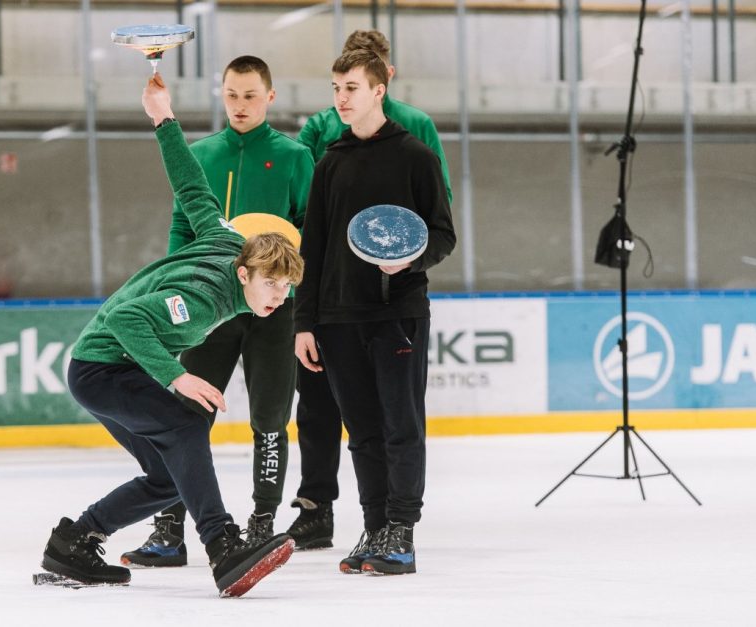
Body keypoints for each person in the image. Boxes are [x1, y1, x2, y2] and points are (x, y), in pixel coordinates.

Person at [39, 73, 302, 597]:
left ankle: (75, 543)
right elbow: (125, 319)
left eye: (287, 288)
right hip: (103, 369)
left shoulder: (224, 236)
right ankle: (223, 545)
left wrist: (163, 116)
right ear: (245, 274)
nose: (278, 297)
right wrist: (177, 377)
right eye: (271, 285)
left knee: (166, 477)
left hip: (112, 368)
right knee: (186, 425)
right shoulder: (204, 298)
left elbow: (189, 184)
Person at [121, 56, 314, 568]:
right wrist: (173, 291)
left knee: (271, 417)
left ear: (270, 97)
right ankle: (169, 524)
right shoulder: (202, 154)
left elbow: (308, 235)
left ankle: (261, 524)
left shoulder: (295, 157)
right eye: (231, 94)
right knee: (186, 415)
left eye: (250, 95)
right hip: (210, 306)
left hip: (275, 309)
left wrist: (301, 305)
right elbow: (181, 232)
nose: (240, 105)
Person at [286, 29, 453, 551]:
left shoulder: (415, 157)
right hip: (336, 319)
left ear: (379, 90)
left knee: (400, 425)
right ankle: (376, 526)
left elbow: (443, 234)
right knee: (360, 433)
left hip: (397, 313)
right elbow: (310, 248)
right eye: (336, 86)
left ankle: (401, 530)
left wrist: (411, 261)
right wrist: (305, 322)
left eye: (352, 87)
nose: (341, 97)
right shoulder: (330, 163)